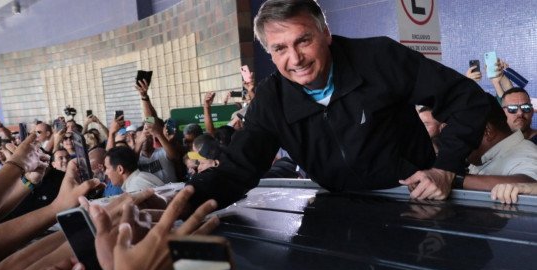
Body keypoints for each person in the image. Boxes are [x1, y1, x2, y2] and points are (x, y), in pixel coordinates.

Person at [187, 0, 490, 210]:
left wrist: (445, 167)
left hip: (417, 203)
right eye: (280, 48)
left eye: (303, 40)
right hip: (339, 211)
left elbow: (468, 99)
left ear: (326, 33)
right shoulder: (271, 99)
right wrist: (179, 203)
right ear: (270, 53)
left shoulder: (380, 58)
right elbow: (237, 170)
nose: (295, 59)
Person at [461, 95, 537, 191]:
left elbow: (529, 184)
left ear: (487, 131)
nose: (456, 141)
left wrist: (453, 179)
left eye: (460, 133)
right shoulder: (483, 157)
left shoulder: (526, 155)